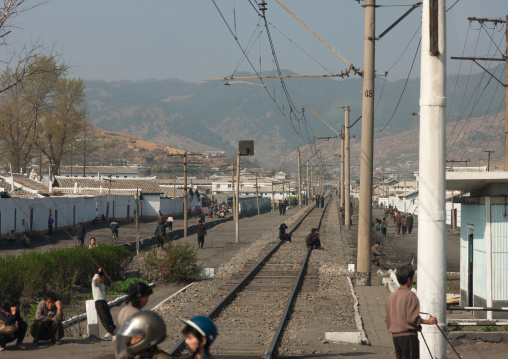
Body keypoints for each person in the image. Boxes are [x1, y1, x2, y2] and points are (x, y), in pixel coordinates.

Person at [385, 265, 437, 359]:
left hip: (395, 337)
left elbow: (387, 318)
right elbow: (412, 319)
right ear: (408, 279)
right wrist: (428, 322)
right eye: (412, 278)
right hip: (408, 336)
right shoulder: (410, 295)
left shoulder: (391, 297)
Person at [92, 268, 116, 339]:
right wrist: (98, 272)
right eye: (101, 278)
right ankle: (111, 331)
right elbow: (94, 280)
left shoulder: (101, 285)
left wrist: (101, 273)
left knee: (108, 317)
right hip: (98, 302)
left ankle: (112, 330)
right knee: (104, 318)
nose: (102, 279)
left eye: (103, 278)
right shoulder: (95, 284)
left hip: (103, 302)